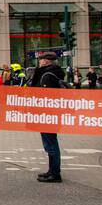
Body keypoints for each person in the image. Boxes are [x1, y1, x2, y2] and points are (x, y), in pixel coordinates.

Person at [30, 52, 65, 183]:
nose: (39, 62)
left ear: (46, 61)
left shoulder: (47, 76)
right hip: (50, 114)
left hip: (47, 114)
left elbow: (45, 96)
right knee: (50, 142)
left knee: (51, 143)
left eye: (41, 59)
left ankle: (55, 173)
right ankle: (52, 171)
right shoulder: (52, 73)